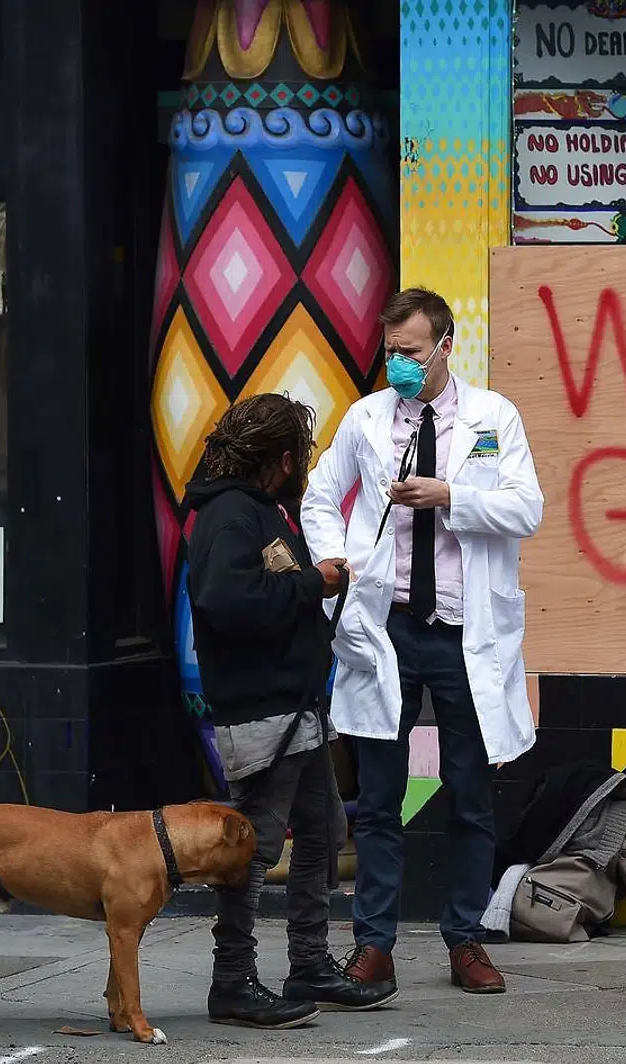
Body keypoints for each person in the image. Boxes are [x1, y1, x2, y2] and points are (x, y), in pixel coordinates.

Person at [302, 288, 543, 995]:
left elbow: (526, 507)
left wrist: (451, 498)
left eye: (410, 352)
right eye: (390, 353)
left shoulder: (493, 417)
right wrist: (335, 566)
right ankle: (373, 944)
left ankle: (465, 939)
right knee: (379, 798)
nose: (398, 365)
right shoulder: (366, 419)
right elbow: (321, 497)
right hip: (387, 626)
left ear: (445, 346)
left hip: (466, 632)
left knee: (471, 792)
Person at [185, 392, 397, 1029]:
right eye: (301, 455)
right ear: (281, 460)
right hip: (262, 712)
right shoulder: (230, 516)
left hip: (295, 708)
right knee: (253, 849)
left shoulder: (257, 512)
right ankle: (233, 980)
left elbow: (260, 589)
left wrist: (310, 583)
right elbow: (227, 601)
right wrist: (316, 583)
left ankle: (308, 961)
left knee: (326, 833)